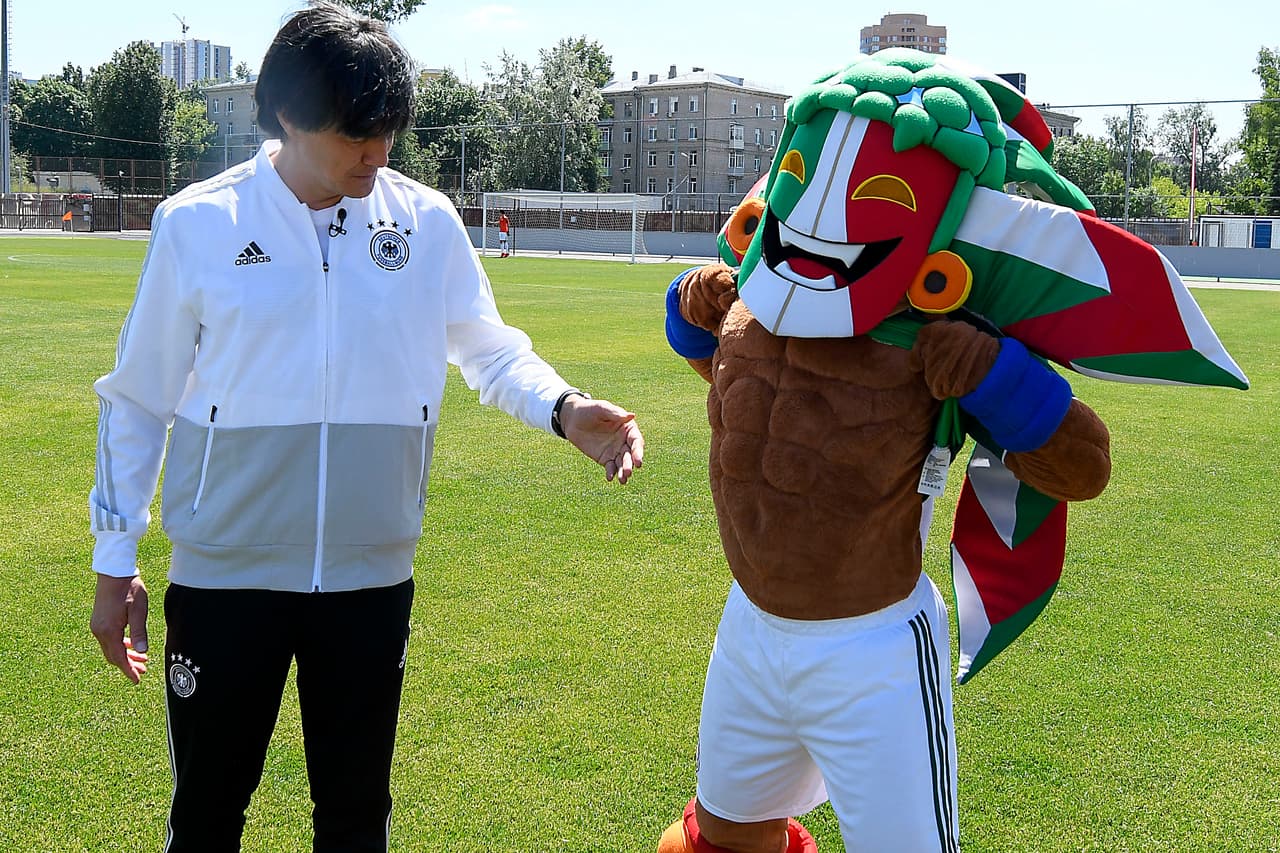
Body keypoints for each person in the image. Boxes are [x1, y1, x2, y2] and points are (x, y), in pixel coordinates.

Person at [87, 4, 644, 851]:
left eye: (386, 130)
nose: (376, 152)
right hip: (224, 579)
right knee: (205, 814)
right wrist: (113, 558)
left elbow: (491, 353)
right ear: (285, 115)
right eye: (354, 133)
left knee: (355, 819)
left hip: (369, 582)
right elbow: (138, 398)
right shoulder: (198, 223)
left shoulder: (424, 222)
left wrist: (567, 411)